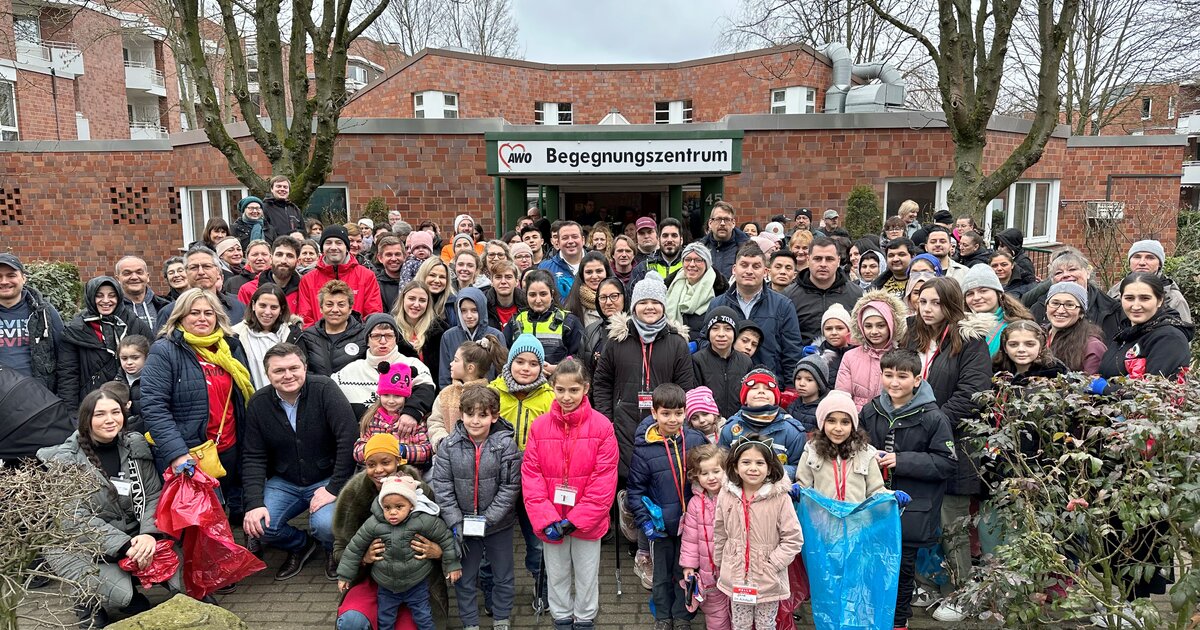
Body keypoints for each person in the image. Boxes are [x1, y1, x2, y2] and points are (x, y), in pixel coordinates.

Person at [38, 389, 180, 628]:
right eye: (100, 414)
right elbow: (74, 518)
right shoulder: (65, 459)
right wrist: (125, 546)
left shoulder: (134, 444)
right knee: (116, 603)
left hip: (133, 536)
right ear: (86, 419)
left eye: (116, 412)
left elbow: (154, 494)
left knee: (173, 580)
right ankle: (87, 602)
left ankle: (125, 593)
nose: (110, 419)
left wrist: (149, 534)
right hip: (84, 546)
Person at [903, 277, 993, 622]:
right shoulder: (912, 336)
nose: (927, 309)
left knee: (951, 523)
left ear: (951, 304)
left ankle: (962, 591)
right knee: (920, 516)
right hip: (917, 444)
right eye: (923, 301)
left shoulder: (970, 341)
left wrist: (931, 424)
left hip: (954, 445)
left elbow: (971, 393)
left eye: (936, 303)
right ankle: (928, 583)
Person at [859, 348, 957, 630]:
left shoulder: (933, 416)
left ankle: (898, 622)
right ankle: (873, 620)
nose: (894, 382)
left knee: (902, 573)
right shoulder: (870, 410)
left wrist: (902, 461)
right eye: (888, 375)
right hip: (874, 504)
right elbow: (856, 448)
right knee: (872, 568)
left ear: (917, 380)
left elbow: (946, 462)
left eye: (902, 376)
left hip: (912, 509)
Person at [243, 343, 358, 581]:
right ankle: (301, 544)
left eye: (294, 368)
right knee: (261, 526)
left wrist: (334, 488)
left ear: (305, 368)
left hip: (327, 477)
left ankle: (331, 549)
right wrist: (254, 503)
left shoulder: (325, 389)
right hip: (285, 481)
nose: (288, 375)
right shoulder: (258, 403)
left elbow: (348, 439)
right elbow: (253, 456)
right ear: (268, 374)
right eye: (279, 371)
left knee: (327, 526)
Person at [521, 358, 619, 630]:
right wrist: (545, 518)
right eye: (561, 390)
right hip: (551, 519)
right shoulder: (539, 427)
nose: (567, 396)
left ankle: (585, 618)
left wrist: (576, 520)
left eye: (573, 390)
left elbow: (604, 480)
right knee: (557, 574)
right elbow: (532, 475)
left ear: (585, 388)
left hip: (587, 521)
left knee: (587, 575)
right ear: (553, 387)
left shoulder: (602, 427)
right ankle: (561, 617)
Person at [141, 288, 253, 522]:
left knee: (223, 517)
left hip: (228, 448)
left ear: (217, 317)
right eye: (194, 313)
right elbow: (154, 407)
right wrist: (177, 454)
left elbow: (241, 397)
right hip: (190, 454)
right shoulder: (165, 350)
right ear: (180, 317)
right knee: (198, 522)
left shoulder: (229, 347)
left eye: (208, 313)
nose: (202, 318)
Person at [332, 434, 448, 630]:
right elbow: (339, 549)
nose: (378, 470)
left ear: (397, 462)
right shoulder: (353, 495)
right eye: (371, 464)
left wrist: (438, 551)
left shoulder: (421, 492)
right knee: (352, 622)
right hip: (370, 580)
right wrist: (364, 558)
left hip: (415, 581)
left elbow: (445, 535)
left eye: (385, 462)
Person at [429, 385, 521, 630]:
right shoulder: (448, 446)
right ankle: (470, 623)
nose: (476, 421)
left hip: (497, 526)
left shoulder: (506, 446)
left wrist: (488, 519)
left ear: (494, 416)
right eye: (470, 414)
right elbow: (442, 486)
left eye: (483, 415)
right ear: (462, 415)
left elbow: (510, 487)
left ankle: (501, 618)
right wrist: (456, 521)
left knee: (503, 575)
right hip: (463, 526)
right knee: (465, 577)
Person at [595, 271, 697, 478]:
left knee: (659, 478)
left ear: (663, 306)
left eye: (655, 302)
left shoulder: (677, 343)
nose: (649, 307)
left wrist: (675, 420)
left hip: (664, 424)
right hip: (623, 424)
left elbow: (685, 387)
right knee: (626, 480)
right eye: (643, 302)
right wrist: (608, 419)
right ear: (633, 306)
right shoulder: (616, 341)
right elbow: (602, 383)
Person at [627, 383, 707, 630]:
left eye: (679, 413)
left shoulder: (695, 439)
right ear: (654, 413)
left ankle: (683, 616)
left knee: (687, 572)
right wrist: (646, 522)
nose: (673, 419)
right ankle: (662, 616)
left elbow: (710, 475)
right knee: (661, 576)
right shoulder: (644, 449)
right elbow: (635, 490)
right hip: (661, 527)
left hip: (691, 526)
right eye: (666, 413)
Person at [712, 435, 804, 629]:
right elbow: (720, 531)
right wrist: (721, 561)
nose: (753, 468)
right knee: (740, 623)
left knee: (766, 624)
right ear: (735, 467)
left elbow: (793, 539)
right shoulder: (726, 494)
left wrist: (772, 564)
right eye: (746, 462)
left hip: (767, 576)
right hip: (736, 575)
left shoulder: (780, 498)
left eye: (760, 463)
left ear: (769, 468)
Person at [704, 243, 804, 379]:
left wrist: (790, 390)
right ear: (734, 269)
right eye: (744, 265)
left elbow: (792, 352)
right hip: (725, 384)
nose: (749, 271)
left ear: (765, 272)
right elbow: (705, 343)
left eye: (756, 266)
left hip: (768, 387)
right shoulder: (717, 304)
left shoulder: (783, 305)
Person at [58, 276, 154, 406]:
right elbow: (68, 375)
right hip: (92, 403)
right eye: (99, 296)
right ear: (91, 297)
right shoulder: (75, 329)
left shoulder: (135, 324)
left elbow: (154, 363)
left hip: (134, 402)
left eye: (112, 295)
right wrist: (71, 412)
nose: (106, 301)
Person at [334, 311, 435, 424]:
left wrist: (411, 412)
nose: (383, 341)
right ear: (367, 340)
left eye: (388, 336)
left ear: (396, 339)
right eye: (376, 336)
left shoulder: (413, 364)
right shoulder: (350, 371)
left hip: (404, 436)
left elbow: (427, 390)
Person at [795, 390, 890, 505]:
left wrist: (891, 497)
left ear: (853, 425)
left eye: (845, 422)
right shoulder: (812, 451)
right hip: (822, 520)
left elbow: (876, 491)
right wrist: (797, 490)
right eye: (831, 421)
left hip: (857, 520)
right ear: (822, 423)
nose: (838, 428)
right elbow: (803, 487)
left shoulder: (865, 452)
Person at [1098, 272, 1193, 381]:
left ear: (1160, 300)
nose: (1136, 306)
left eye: (1145, 298)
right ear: (1121, 299)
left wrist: (1104, 389)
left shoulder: (1169, 338)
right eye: (1129, 298)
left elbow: (1153, 391)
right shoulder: (1125, 334)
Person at [718, 368, 808, 480]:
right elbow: (721, 465)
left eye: (768, 389)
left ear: (776, 398)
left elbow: (800, 468)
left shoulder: (792, 431)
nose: (761, 391)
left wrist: (771, 472)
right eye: (754, 388)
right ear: (744, 398)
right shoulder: (730, 428)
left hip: (777, 492)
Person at [678, 445, 729, 630]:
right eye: (705, 473)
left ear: (726, 470)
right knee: (715, 616)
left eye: (716, 471)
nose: (711, 477)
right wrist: (689, 566)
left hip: (734, 571)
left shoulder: (733, 496)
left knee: (741, 614)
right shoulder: (694, 503)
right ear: (696, 476)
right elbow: (690, 539)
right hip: (709, 575)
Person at [427, 337, 506, 451]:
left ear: (470, 368)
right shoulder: (446, 394)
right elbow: (435, 421)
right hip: (448, 457)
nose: (451, 363)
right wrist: (443, 442)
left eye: (456, 360)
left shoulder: (491, 395)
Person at [0, 253, 64, 393]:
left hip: (38, 398)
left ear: (23, 278)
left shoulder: (45, 313)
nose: (4, 281)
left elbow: (65, 358)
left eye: (11, 275)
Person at [297, 226, 383, 327]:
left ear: (346, 246)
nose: (333, 247)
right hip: (317, 340)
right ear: (322, 248)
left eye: (339, 243)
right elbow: (305, 318)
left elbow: (373, 314)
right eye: (328, 243)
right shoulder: (308, 279)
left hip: (358, 339)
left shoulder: (366, 276)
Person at [1027, 252, 1123, 341]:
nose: (1066, 275)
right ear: (1052, 280)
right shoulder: (1039, 308)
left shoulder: (1110, 308)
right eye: (1058, 273)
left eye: (1072, 269)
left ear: (1088, 272)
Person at [837, 290, 907, 410]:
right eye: (868, 326)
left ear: (891, 325)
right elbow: (842, 396)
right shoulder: (850, 357)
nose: (874, 331)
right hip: (859, 421)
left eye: (881, 325)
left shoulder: (902, 357)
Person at [503, 269, 582, 372]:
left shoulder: (569, 322)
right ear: (526, 295)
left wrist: (556, 368)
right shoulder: (515, 321)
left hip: (557, 382)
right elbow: (504, 355)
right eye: (532, 295)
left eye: (543, 294)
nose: (538, 300)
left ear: (552, 294)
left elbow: (579, 357)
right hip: (522, 382)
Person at [790, 237, 864, 345]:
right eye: (818, 259)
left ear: (838, 261)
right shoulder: (790, 296)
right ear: (808, 259)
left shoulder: (857, 295)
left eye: (829, 259)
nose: (823, 264)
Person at [230, 284, 302, 390]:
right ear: (254, 305)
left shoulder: (293, 335)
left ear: (281, 310)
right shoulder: (235, 335)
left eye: (274, 307)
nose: (267, 312)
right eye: (263, 306)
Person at [154, 247, 246, 327]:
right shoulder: (170, 312)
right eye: (194, 267)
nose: (201, 272)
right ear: (186, 272)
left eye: (207, 266)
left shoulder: (238, 307)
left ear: (218, 271)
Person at [1105, 240, 1192, 324]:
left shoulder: (1174, 299)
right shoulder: (1115, 291)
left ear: (1160, 264)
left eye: (1150, 258)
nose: (1142, 262)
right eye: (1137, 257)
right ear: (1129, 262)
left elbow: (1182, 334)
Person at [691, 306, 754, 419]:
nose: (721, 334)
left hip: (739, 423)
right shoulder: (697, 360)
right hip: (709, 424)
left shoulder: (746, 362)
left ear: (735, 333)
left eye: (727, 329)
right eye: (715, 328)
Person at [295, 280, 367, 377]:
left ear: (350, 309)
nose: (335, 310)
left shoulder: (364, 336)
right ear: (321, 308)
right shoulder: (307, 336)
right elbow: (302, 372)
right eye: (329, 304)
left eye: (341, 305)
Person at [960, 264, 1034, 357]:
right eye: (970, 294)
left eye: (983, 291)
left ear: (998, 294)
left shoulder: (1017, 326)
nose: (976, 297)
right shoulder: (959, 327)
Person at [438, 287, 505, 388]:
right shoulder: (448, 336)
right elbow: (444, 376)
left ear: (482, 310)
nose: (469, 316)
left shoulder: (496, 335)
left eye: (474, 310)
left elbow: (502, 373)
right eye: (463, 311)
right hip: (457, 397)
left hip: (489, 396)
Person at [666, 243, 727, 344]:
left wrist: (698, 344)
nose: (692, 264)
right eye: (688, 259)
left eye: (698, 260)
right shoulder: (670, 286)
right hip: (672, 349)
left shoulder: (719, 291)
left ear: (707, 263)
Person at [1045, 282, 1106, 374]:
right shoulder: (1036, 337)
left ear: (1081, 313)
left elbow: (1090, 385)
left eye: (1069, 305)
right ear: (1046, 307)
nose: (1060, 310)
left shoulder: (1091, 346)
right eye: (1055, 303)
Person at [393, 280, 447, 384]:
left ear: (428, 304)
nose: (416, 304)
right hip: (396, 392)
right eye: (411, 298)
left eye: (422, 300)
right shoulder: (391, 329)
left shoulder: (440, 331)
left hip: (430, 391)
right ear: (403, 299)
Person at [236, 236, 303, 312]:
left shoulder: (304, 290)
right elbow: (243, 321)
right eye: (279, 255)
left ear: (297, 262)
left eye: (290, 256)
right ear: (271, 258)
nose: (283, 260)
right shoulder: (248, 290)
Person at [993, 319, 1068, 382]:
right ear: (1005, 348)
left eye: (1029, 344)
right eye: (1013, 345)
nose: (1021, 349)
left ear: (1040, 347)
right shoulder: (994, 372)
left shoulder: (1056, 374)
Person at [579, 278, 625, 378]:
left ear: (624, 297)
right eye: (603, 297)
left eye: (614, 296)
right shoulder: (590, 331)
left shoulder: (636, 329)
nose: (608, 302)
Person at [115, 256, 171, 332]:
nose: (134, 277)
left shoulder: (166, 306)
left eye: (139, 272)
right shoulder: (113, 310)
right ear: (118, 279)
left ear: (147, 277)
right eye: (127, 273)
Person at [700, 201, 751, 279]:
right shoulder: (700, 248)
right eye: (718, 219)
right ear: (710, 223)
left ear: (733, 223)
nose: (722, 223)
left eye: (727, 219)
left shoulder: (747, 247)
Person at [563, 251, 612, 329]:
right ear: (582, 275)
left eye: (599, 271)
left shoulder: (619, 299)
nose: (594, 276)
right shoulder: (573, 305)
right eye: (589, 272)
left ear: (607, 272)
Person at [631, 218, 685, 285]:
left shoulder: (689, 265)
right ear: (659, 240)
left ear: (681, 240)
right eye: (665, 236)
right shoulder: (643, 268)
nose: (669, 240)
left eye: (674, 235)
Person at [786, 353, 832, 432]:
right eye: (798, 378)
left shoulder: (824, 410)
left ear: (820, 385)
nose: (801, 384)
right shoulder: (792, 407)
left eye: (809, 380)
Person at [539, 221, 586, 297]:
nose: (570, 241)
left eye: (575, 236)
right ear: (558, 242)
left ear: (583, 240)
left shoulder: (597, 264)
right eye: (565, 238)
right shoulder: (545, 268)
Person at [114, 335, 150, 430]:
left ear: (146, 357)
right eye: (124, 358)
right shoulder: (117, 381)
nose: (129, 363)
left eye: (135, 358)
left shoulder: (153, 381)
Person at [484, 260, 527, 330]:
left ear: (517, 282)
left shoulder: (527, 304)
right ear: (491, 282)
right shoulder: (483, 304)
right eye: (498, 277)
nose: (503, 281)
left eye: (508, 277)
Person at [415, 257, 457, 326]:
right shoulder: (409, 300)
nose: (437, 280)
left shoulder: (453, 304)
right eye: (432, 275)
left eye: (442, 277)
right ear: (423, 275)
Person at [261, 176, 304, 241]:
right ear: (272, 189)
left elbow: (303, 232)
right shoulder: (264, 208)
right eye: (278, 186)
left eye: (285, 187)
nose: (282, 189)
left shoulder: (295, 209)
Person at [373, 236, 406, 312]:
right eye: (389, 255)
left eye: (397, 254)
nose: (394, 259)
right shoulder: (376, 285)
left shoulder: (414, 280)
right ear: (380, 258)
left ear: (404, 256)